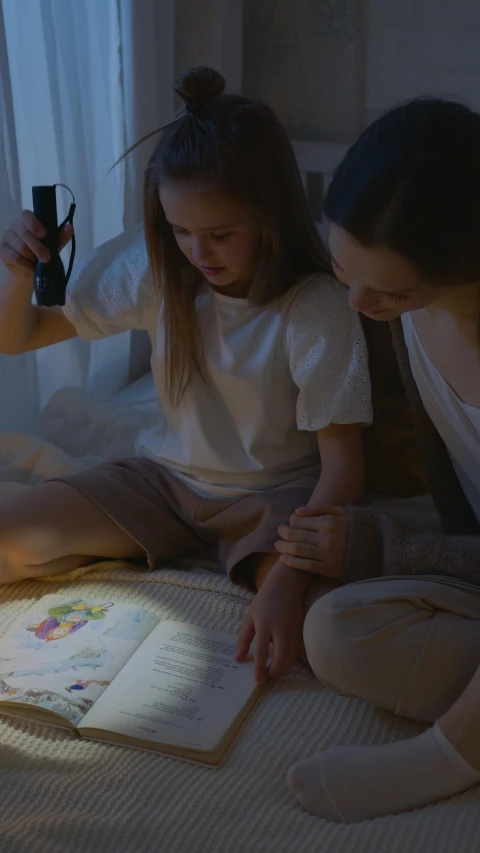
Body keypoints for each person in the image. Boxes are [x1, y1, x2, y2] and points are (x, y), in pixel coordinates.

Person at [0, 66, 372, 687]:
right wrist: (16, 270)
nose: (199, 253)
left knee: (319, 626)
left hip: (271, 498)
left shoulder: (315, 307)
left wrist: (284, 577)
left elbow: (344, 469)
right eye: (180, 232)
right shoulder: (155, 270)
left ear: (269, 216)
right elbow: (20, 337)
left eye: (221, 235)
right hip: (162, 483)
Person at [279, 97, 480, 822]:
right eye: (342, 268)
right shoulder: (410, 318)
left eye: (393, 291)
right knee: (335, 631)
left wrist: (384, 544)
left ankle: (449, 754)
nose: (361, 303)